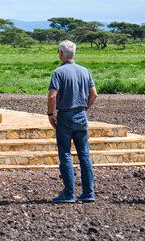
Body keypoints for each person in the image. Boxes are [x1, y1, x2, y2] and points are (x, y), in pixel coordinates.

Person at [47, 40, 97, 203]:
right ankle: (88, 192)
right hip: (81, 114)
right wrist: (85, 108)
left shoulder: (58, 72)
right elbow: (94, 94)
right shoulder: (85, 71)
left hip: (65, 115)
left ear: (61, 53)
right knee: (84, 154)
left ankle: (69, 193)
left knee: (65, 153)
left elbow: (53, 95)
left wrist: (50, 114)